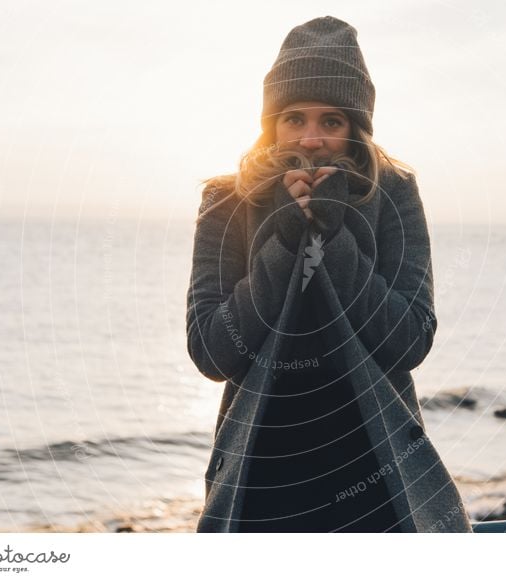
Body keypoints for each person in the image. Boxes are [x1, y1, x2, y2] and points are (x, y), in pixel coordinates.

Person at [186, 15, 472, 533]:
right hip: (259, 477)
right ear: (270, 123)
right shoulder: (226, 202)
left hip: (378, 476)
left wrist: (336, 240)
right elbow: (212, 351)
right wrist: (284, 241)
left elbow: (410, 342)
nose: (312, 138)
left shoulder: (394, 196)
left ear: (356, 129)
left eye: (332, 121)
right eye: (294, 118)